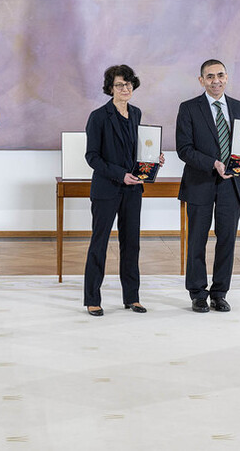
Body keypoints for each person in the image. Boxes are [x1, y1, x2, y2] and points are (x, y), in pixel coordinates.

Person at [176, 59, 240, 313]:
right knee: (197, 241)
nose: (216, 81)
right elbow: (184, 149)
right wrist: (213, 163)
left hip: (231, 185)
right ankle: (198, 294)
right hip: (199, 182)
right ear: (201, 80)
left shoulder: (239, 107)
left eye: (220, 75)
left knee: (227, 241)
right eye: (210, 76)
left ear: (227, 77)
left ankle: (219, 293)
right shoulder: (189, 108)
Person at [83, 65, 164, 316]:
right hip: (107, 189)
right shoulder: (98, 117)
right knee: (99, 243)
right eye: (120, 84)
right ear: (110, 88)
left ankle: (132, 297)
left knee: (132, 244)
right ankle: (92, 299)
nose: (125, 88)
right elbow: (92, 157)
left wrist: (153, 160)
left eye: (129, 84)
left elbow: (138, 152)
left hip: (133, 190)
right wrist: (120, 175)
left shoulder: (137, 114)